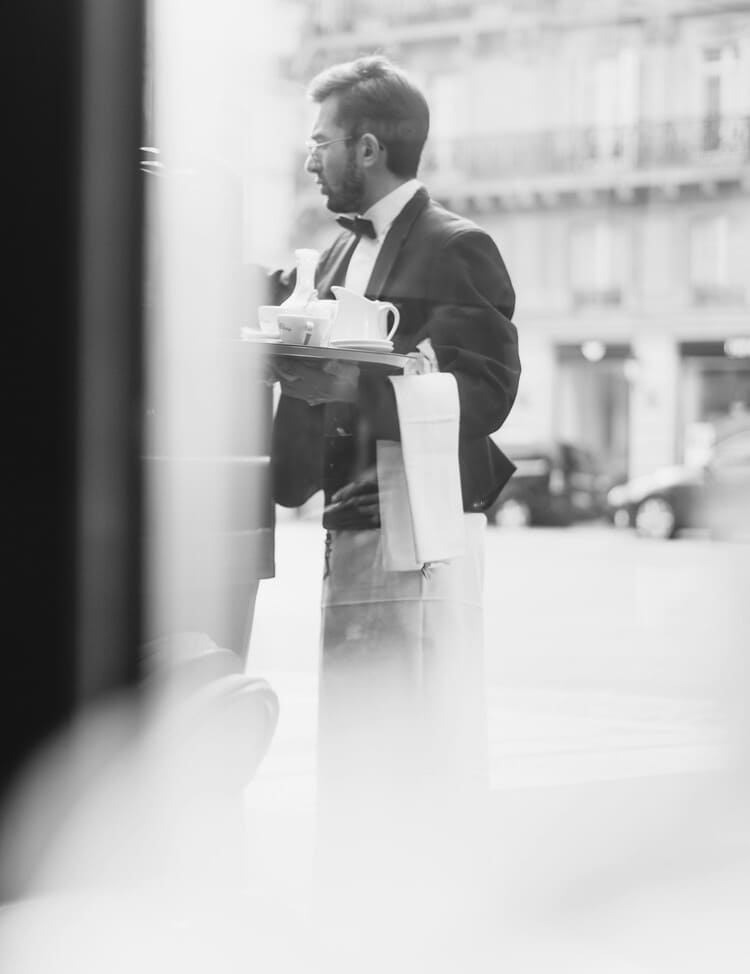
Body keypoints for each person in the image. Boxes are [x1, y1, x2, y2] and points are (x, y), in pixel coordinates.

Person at [270, 56, 520, 893]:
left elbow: (485, 390)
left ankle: (424, 910)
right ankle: (353, 904)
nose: (310, 159)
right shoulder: (338, 251)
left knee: (418, 734)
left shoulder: (457, 247)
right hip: (349, 525)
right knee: (353, 735)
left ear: (367, 147)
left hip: (422, 533)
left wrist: (362, 385)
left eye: (321, 142)